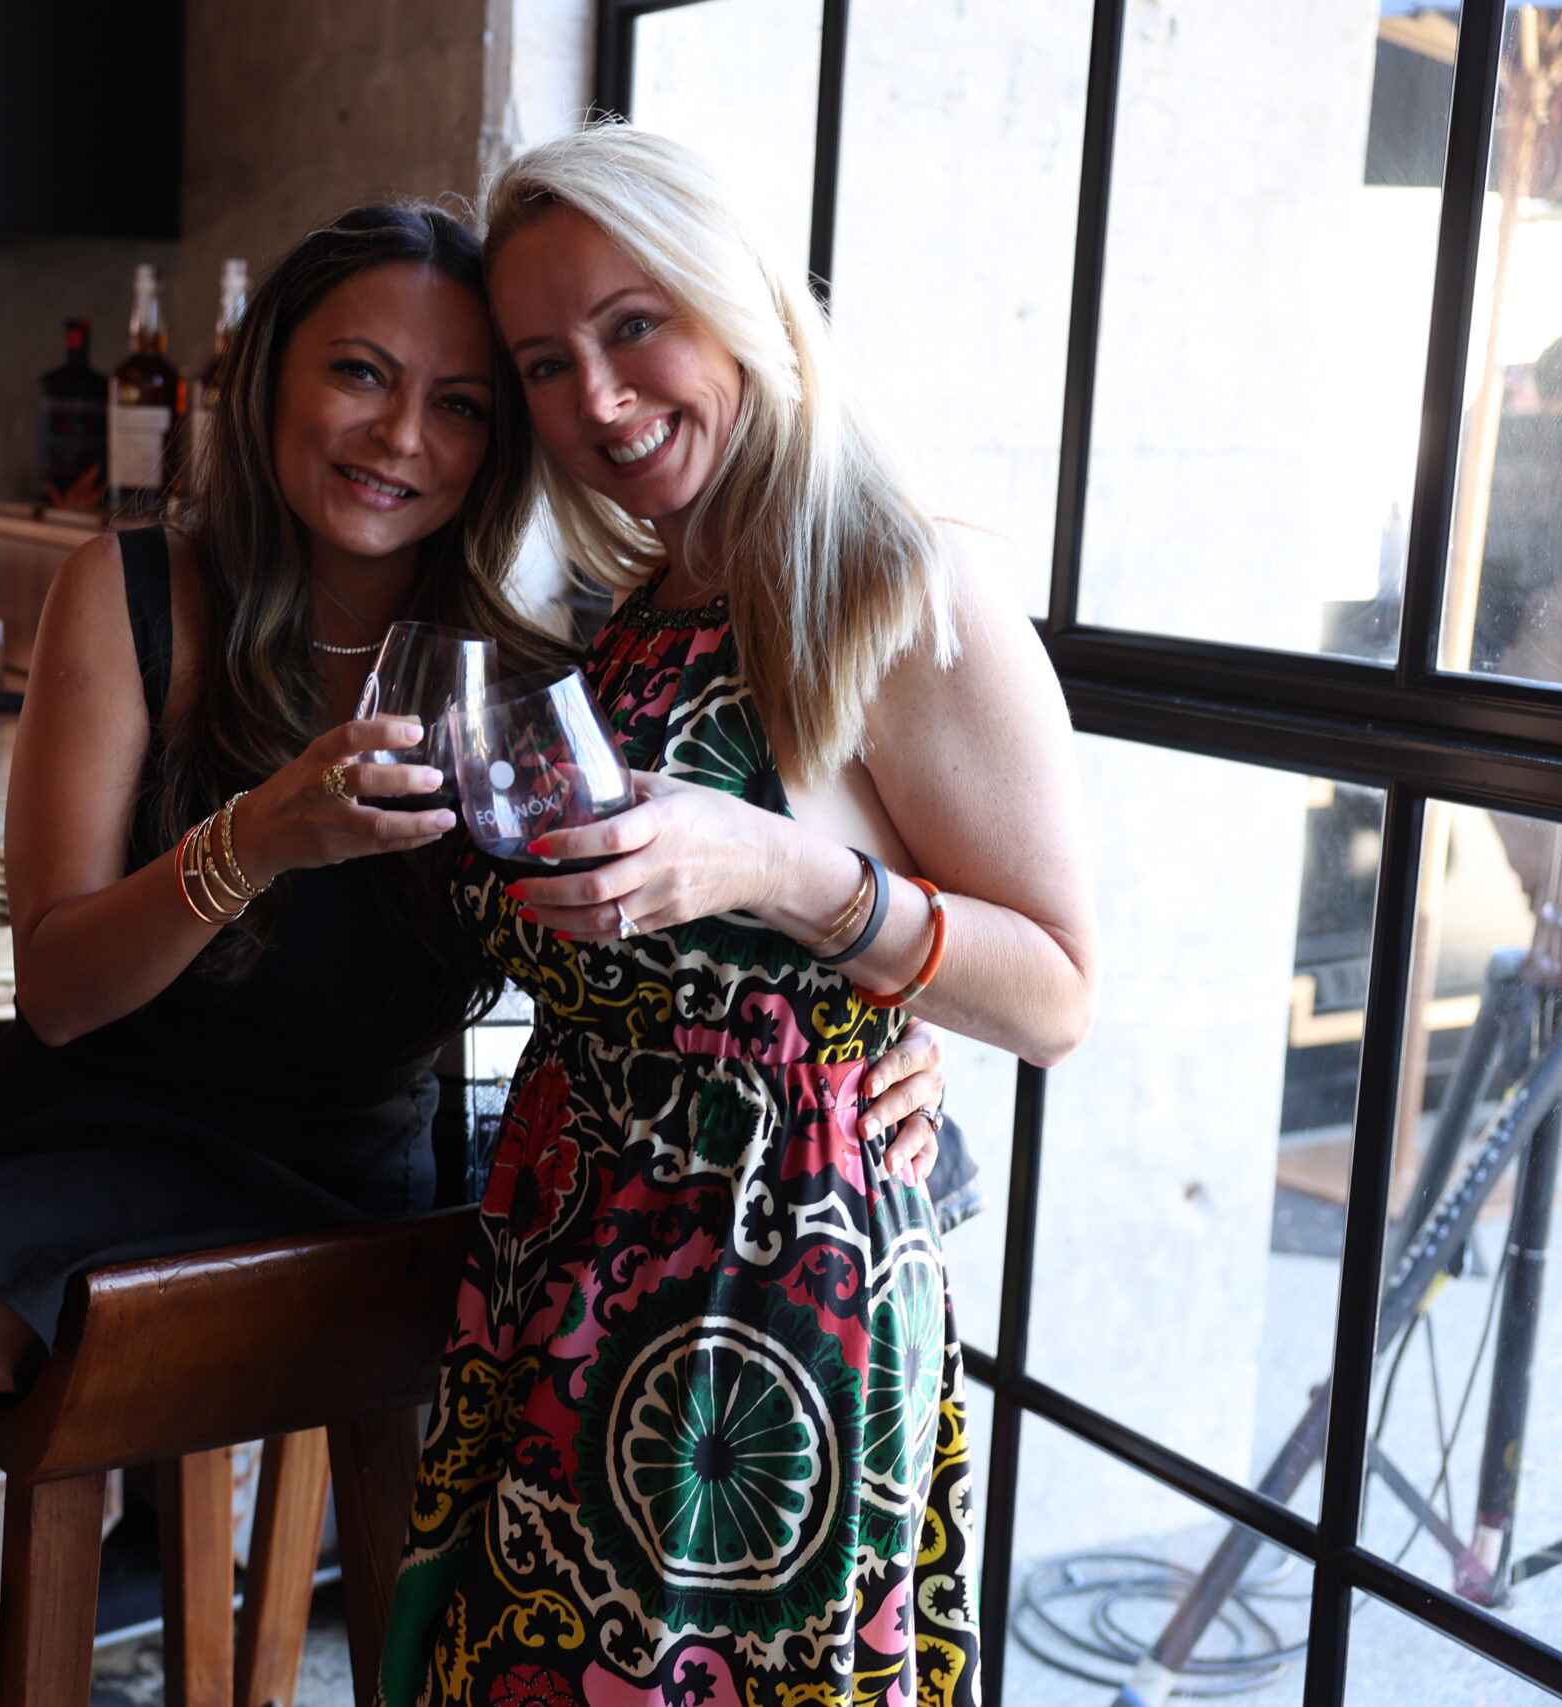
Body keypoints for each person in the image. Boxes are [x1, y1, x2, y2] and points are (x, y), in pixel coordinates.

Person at [0, 203, 953, 1706]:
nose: (401, 437)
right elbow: (59, 992)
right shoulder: (138, 594)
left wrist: (892, 1017)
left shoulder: (542, 661)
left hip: (324, 1167)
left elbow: (740, 875)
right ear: (268, 375)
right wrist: (252, 840)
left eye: (461, 404)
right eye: (360, 374)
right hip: (74, 1118)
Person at [376, 128, 1100, 1707]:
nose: (598, 400)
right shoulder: (639, 605)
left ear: (741, 301)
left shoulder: (901, 582)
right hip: (566, 1246)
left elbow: (1055, 995)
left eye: (634, 325)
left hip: (762, 1307)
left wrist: (781, 874)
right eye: (545, 363)